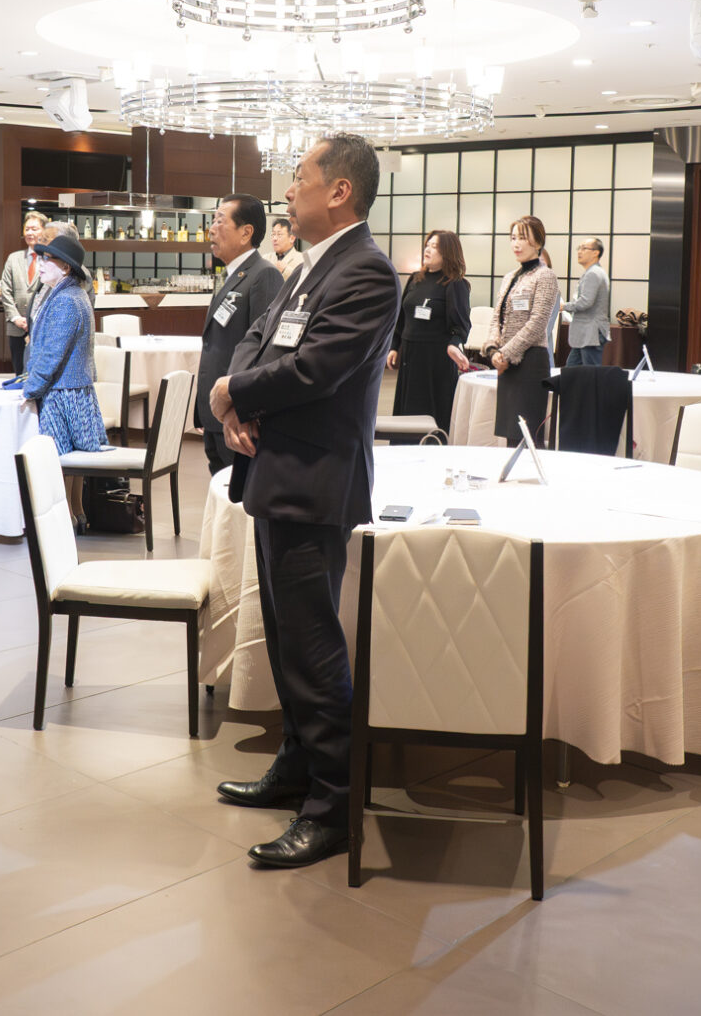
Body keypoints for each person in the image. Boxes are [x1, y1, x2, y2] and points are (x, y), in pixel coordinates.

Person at [208, 133, 399, 870]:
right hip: (277, 474)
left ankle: (333, 808)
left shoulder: (367, 272)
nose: (288, 191)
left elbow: (315, 368)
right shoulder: (309, 264)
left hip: (315, 483)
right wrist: (236, 399)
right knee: (289, 641)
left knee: (314, 649)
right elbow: (259, 338)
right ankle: (296, 768)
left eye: (300, 177)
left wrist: (235, 391)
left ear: (339, 191)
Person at [196, 194, 282, 476]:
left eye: (220, 221)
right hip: (216, 414)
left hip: (238, 415)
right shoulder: (231, 274)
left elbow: (263, 351)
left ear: (246, 232)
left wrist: (244, 408)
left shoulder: (264, 275)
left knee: (239, 494)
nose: (211, 229)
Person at [18, 232, 107, 454]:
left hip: (63, 395)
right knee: (66, 460)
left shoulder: (66, 300)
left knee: (58, 460)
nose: (41, 263)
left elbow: (52, 355)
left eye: (48, 259)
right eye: (41, 258)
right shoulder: (71, 294)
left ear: (66, 268)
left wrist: (30, 390)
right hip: (69, 390)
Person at [387, 229, 472, 436]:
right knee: (407, 413)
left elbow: (461, 325)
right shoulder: (415, 279)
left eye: (435, 247)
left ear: (448, 253)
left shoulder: (455, 283)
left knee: (431, 414)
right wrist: (394, 346)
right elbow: (402, 317)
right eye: (428, 245)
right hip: (410, 357)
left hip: (436, 360)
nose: (428, 249)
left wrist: (455, 343)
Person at [483, 215, 558, 445]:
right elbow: (497, 317)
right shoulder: (509, 277)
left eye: (522, 238)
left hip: (531, 362)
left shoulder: (545, 275)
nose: (516, 244)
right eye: (513, 238)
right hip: (507, 365)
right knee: (511, 433)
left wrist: (505, 353)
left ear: (538, 241)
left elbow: (537, 323)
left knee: (528, 434)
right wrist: (493, 350)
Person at [0, 211, 49, 373]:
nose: (29, 233)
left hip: (41, 326)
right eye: (27, 229)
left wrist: (34, 319)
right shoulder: (13, 258)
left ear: (44, 231)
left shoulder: (50, 259)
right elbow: (5, 290)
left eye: (34, 229)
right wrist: (15, 318)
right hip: (16, 326)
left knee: (38, 371)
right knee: (19, 371)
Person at [563, 237, 612, 366]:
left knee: (590, 373)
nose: (579, 251)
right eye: (579, 248)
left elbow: (585, 302)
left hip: (591, 333)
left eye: (584, 248)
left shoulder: (593, 273)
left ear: (596, 253)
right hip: (586, 334)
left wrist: (564, 306)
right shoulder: (593, 271)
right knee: (572, 370)